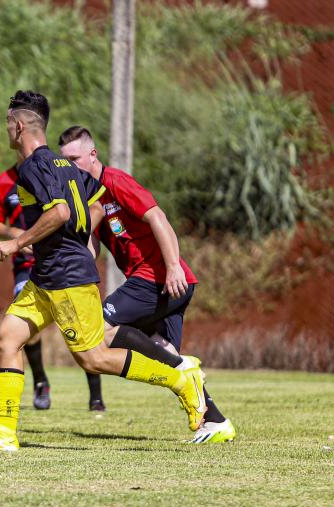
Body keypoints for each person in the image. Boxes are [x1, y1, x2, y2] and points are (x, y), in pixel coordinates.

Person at [0, 91, 206, 452]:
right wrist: (68, 241)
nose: (6, 130)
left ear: (19, 125)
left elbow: (58, 212)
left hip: (66, 278)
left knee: (95, 357)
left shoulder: (33, 167)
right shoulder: (64, 166)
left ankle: (181, 379)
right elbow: (93, 197)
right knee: (6, 339)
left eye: (8, 123)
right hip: (49, 273)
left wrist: (19, 241)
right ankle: (4, 433)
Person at [58, 125, 235, 444]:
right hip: (160, 283)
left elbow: (158, 217)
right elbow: (92, 245)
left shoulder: (115, 181)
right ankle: (216, 421)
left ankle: (182, 367)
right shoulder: (88, 195)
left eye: (74, 158)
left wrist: (171, 267)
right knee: (164, 353)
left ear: (93, 155)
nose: (70, 166)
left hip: (157, 278)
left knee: (101, 326)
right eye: (64, 160)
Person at [0, 155, 105, 411]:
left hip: (64, 265)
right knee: (11, 334)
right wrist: (15, 236)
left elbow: (78, 209)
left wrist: (82, 242)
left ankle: (96, 395)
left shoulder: (54, 169)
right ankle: (39, 382)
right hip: (27, 268)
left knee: (91, 350)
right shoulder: (3, 182)